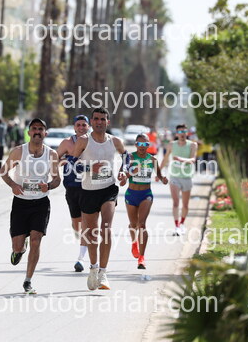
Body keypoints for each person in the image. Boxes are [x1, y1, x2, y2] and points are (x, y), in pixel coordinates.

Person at [0, 118, 61, 294]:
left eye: (41, 129)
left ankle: (28, 280)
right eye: (34, 129)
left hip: (41, 203)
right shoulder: (19, 152)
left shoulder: (51, 155)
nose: (37, 132)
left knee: (36, 240)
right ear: (29, 132)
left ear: (45, 133)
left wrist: (48, 185)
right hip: (21, 203)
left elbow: (57, 179)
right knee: (17, 246)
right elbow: (3, 172)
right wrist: (13, 185)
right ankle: (20, 248)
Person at [72, 108, 127, 290]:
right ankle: (93, 268)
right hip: (88, 191)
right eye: (96, 119)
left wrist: (124, 172)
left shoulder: (115, 141)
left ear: (107, 122)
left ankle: (103, 272)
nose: (99, 122)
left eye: (102, 119)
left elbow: (127, 157)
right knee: (91, 234)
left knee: (106, 228)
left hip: (108, 189)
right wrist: (89, 168)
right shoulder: (83, 140)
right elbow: (72, 164)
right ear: (92, 122)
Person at [120, 133, 168, 270]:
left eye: (145, 144)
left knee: (141, 224)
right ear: (136, 144)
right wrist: (130, 173)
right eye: (140, 144)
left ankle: (142, 257)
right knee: (133, 224)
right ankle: (134, 242)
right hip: (131, 194)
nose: (142, 146)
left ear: (149, 145)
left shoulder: (152, 159)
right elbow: (122, 178)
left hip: (146, 194)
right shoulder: (129, 158)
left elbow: (160, 176)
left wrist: (163, 179)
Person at [56, 114, 90, 272]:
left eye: (84, 124)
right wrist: (62, 161)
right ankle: (76, 230)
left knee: (87, 224)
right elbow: (54, 159)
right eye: (79, 125)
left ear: (88, 126)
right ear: (74, 127)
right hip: (71, 187)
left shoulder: (93, 142)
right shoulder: (67, 143)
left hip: (89, 187)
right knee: (77, 224)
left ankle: (81, 258)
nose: (81, 127)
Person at [159, 124, 198, 236]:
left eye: (184, 131)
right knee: (176, 202)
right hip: (174, 176)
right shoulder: (171, 145)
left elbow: (193, 159)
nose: (182, 134)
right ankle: (176, 226)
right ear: (176, 134)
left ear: (187, 133)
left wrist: (181, 159)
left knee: (185, 205)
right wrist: (158, 173)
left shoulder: (192, 145)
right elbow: (165, 159)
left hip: (187, 177)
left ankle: (182, 224)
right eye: (180, 132)